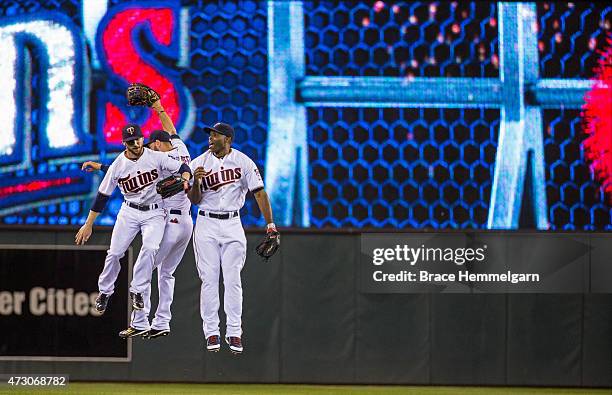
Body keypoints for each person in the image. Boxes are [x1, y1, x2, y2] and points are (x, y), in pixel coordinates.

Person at [80, 99, 192, 339]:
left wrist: (185, 177)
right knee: (115, 253)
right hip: (130, 212)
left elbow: (185, 167)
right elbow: (105, 192)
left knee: (150, 252)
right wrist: (89, 223)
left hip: (157, 213)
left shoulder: (159, 155)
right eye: (131, 141)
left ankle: (140, 298)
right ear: (125, 143)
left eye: (140, 139)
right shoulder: (121, 164)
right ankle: (106, 293)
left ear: (149, 141)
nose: (138, 143)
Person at [188, 122, 277, 355]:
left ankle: (234, 332)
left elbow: (259, 192)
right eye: (210, 135)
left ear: (227, 138)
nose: (210, 138)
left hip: (233, 223)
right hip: (206, 222)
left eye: (215, 135)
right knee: (209, 279)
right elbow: (194, 200)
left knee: (232, 279)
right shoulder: (198, 163)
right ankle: (211, 332)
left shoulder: (243, 162)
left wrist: (270, 225)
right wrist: (196, 182)